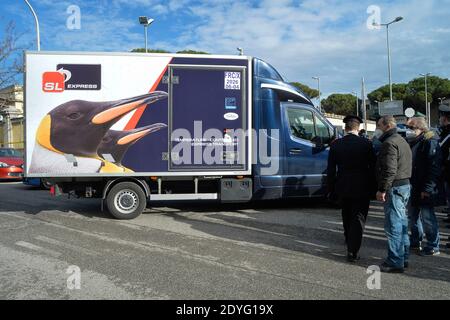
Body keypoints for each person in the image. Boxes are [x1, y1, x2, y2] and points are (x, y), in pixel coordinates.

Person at [327, 115, 376, 262]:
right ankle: (353, 251)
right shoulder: (366, 143)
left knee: (346, 215)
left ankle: (348, 240)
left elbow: (330, 170)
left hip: (343, 186)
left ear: (345, 128)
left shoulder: (336, 144)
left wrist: (331, 189)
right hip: (362, 187)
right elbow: (373, 167)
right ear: (358, 128)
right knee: (358, 218)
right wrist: (374, 188)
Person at [375, 116, 412, 273]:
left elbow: (390, 170)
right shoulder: (401, 140)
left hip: (395, 188)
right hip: (404, 185)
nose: (378, 128)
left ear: (387, 125)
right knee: (401, 224)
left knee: (394, 226)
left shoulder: (389, 143)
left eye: (379, 125)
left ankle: (395, 261)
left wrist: (382, 189)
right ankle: (403, 257)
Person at [406, 117, 443, 256]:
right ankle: (416, 241)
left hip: (424, 187)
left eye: (411, 128)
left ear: (421, 128)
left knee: (427, 217)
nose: (408, 131)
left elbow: (434, 168)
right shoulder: (415, 142)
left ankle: (433, 246)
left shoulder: (429, 142)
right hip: (414, 185)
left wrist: (427, 188)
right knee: (413, 216)